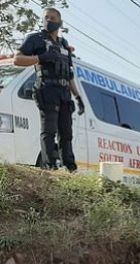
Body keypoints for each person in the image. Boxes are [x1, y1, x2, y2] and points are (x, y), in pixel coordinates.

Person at [14, 7, 84, 171]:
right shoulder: (35, 39)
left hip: (65, 92)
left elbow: (70, 75)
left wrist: (78, 97)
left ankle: (70, 168)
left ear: (60, 22)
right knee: (49, 130)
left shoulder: (64, 45)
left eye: (53, 18)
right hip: (47, 89)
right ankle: (49, 166)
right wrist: (40, 57)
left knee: (66, 134)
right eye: (46, 18)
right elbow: (17, 59)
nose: (49, 21)